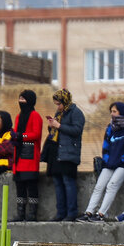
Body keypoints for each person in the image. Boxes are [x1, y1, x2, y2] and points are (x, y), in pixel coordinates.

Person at [79, 102, 124, 222]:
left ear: (122, 112)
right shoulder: (110, 127)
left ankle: (101, 214)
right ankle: (88, 212)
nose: (112, 114)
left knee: (112, 185)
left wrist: (123, 159)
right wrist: (107, 159)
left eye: (115, 111)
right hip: (110, 163)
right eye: (111, 111)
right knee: (99, 186)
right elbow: (106, 146)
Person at [41, 88, 84, 222]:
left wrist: (59, 125)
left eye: (59, 104)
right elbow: (57, 131)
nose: (58, 107)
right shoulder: (60, 113)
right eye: (56, 104)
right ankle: (60, 212)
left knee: (68, 182)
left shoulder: (76, 113)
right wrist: (52, 126)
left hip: (68, 153)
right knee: (58, 183)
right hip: (56, 152)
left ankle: (71, 213)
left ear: (65, 101)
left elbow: (77, 130)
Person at [13, 89, 43, 222]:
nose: (21, 102)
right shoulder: (19, 116)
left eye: (23, 99)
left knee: (31, 186)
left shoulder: (35, 115)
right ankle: (20, 214)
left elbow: (36, 134)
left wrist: (21, 136)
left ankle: (32, 214)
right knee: (19, 185)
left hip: (30, 156)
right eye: (20, 99)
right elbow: (16, 132)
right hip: (18, 156)